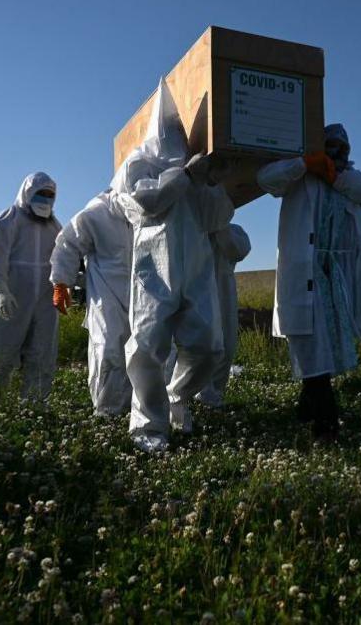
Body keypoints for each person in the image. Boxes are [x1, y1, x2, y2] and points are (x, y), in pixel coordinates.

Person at [112, 79, 233, 453]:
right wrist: (186, 177)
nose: (178, 131)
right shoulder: (138, 163)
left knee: (210, 348)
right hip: (154, 273)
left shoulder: (195, 168)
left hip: (196, 270)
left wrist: (212, 183)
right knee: (147, 348)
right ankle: (148, 428)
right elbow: (147, 202)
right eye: (173, 123)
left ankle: (176, 395)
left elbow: (220, 218)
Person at [256, 123, 361, 439]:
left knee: (327, 346)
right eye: (330, 147)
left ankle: (307, 409)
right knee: (312, 345)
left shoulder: (348, 180)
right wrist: (304, 164)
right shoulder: (297, 177)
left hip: (337, 273)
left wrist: (335, 176)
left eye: (343, 149)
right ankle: (325, 425)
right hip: (307, 271)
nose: (337, 153)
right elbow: (265, 179)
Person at [0, 172, 61, 402]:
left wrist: (64, 284)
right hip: (10, 299)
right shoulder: (5, 222)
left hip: (44, 302)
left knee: (42, 355)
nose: (45, 199)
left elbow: (63, 259)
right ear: (27, 193)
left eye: (49, 195)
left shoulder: (54, 227)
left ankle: (34, 408)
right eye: (40, 194)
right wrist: (0, 289)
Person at [48, 189, 133, 416]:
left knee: (145, 351)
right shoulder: (97, 214)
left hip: (142, 295)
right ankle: (107, 411)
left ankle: (137, 409)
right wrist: (61, 282)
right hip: (106, 295)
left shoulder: (144, 211)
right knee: (108, 348)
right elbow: (67, 244)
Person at [169, 223, 251, 408]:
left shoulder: (233, 230)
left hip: (223, 291)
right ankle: (183, 394)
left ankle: (212, 395)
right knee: (197, 344)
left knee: (226, 344)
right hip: (193, 291)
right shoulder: (188, 228)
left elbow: (240, 250)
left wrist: (220, 227)